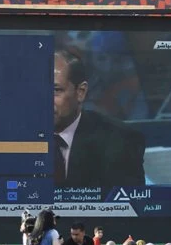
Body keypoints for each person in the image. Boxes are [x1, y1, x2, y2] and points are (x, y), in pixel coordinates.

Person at [51, 49, 145, 188]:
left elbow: (130, 205)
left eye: (56, 90)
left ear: (80, 92)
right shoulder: (12, 139)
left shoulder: (120, 141)